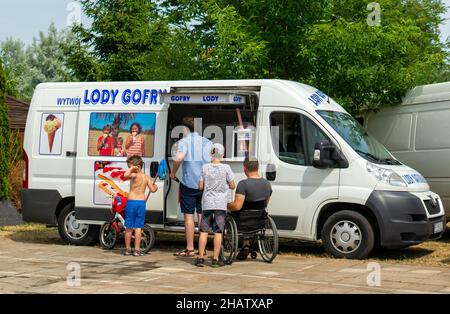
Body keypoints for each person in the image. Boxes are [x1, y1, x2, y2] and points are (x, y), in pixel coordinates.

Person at [171, 117, 213, 257]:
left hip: (189, 184)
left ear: (185, 129)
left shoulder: (184, 142)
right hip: (205, 184)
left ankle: (190, 248)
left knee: (189, 216)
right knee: (202, 215)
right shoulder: (207, 142)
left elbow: (178, 158)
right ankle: (202, 248)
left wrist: (173, 172)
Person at [195, 143, 235, 267]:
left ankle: (201, 258)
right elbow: (233, 185)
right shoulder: (226, 168)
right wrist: (224, 186)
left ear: (210, 154)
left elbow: (200, 186)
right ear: (222, 155)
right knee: (218, 232)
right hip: (220, 204)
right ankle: (215, 259)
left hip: (207, 203)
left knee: (204, 231)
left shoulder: (204, 167)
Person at [227, 158, 272, 260]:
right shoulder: (267, 184)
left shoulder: (243, 184)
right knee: (250, 215)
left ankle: (244, 244)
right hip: (259, 220)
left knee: (230, 213)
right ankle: (246, 244)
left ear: (244, 168)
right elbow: (265, 204)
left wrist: (227, 205)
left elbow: (237, 206)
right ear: (257, 167)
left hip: (243, 221)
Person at [123, 155, 157, 256]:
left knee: (129, 227)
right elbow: (152, 190)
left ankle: (128, 249)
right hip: (141, 203)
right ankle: (137, 250)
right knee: (138, 227)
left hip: (132, 203)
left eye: (130, 166)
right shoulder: (146, 177)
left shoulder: (134, 175)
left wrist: (132, 169)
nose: (129, 168)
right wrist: (155, 187)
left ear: (136, 166)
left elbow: (125, 175)